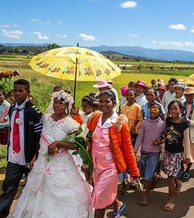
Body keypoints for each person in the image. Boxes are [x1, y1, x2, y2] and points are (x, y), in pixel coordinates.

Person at [12, 90, 91, 217]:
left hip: (61, 163)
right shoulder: (46, 118)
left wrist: (58, 144)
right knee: (37, 190)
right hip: (42, 161)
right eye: (55, 102)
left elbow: (77, 145)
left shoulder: (71, 123)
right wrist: (35, 157)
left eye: (61, 103)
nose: (57, 105)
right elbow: (40, 140)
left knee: (62, 193)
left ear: (66, 105)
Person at [86, 89, 140, 218]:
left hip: (110, 167)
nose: (103, 104)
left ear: (114, 103)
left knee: (99, 198)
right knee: (103, 194)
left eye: (107, 101)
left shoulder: (119, 123)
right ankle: (117, 204)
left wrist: (134, 172)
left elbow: (128, 149)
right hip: (96, 166)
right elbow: (89, 139)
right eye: (101, 101)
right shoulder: (95, 118)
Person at [0, 79, 43, 218]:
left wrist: (36, 156)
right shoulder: (12, 108)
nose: (17, 93)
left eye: (21, 91)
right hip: (14, 157)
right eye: (15, 90)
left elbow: (39, 136)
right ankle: (0, 215)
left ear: (28, 92)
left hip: (30, 158)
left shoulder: (34, 111)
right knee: (8, 188)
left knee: (33, 190)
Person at [156, 100, 190, 211]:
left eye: (176, 108)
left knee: (170, 176)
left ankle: (170, 200)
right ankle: (178, 183)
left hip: (177, 153)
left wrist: (187, 155)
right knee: (169, 172)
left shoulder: (185, 123)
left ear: (180, 110)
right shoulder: (168, 120)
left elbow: (186, 140)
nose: (173, 111)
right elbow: (166, 134)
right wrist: (159, 140)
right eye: (171, 108)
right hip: (167, 151)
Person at [134, 102, 165, 206]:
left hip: (155, 153)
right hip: (144, 152)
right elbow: (140, 137)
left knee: (148, 175)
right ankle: (154, 179)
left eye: (155, 110)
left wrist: (160, 141)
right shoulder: (144, 123)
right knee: (143, 173)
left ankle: (145, 196)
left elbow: (165, 136)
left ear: (160, 112)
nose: (152, 112)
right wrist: (134, 151)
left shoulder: (163, 124)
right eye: (151, 110)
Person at [179, 87, 194, 180]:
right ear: (185, 96)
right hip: (181, 132)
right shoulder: (181, 105)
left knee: (191, 153)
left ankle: (188, 170)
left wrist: (189, 122)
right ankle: (181, 167)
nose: (189, 97)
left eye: (191, 95)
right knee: (180, 152)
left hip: (192, 133)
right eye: (187, 95)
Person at [0, 89, 11, 157]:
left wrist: (5, 118)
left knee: (8, 141)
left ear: (4, 96)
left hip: (6, 125)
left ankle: (9, 155)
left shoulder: (7, 104)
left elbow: (9, 114)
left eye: (1, 95)